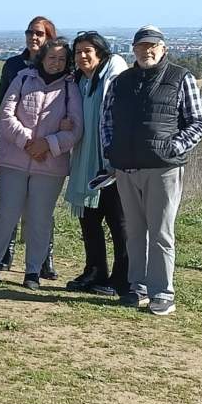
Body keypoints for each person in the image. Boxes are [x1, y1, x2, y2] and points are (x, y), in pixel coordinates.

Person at [102, 25, 202, 316]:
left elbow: (198, 123)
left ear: (163, 48)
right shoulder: (121, 81)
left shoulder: (181, 77)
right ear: (133, 49)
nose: (146, 51)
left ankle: (163, 293)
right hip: (126, 167)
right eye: (141, 46)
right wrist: (111, 152)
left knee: (161, 233)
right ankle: (138, 288)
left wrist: (173, 148)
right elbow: (107, 120)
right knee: (134, 232)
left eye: (153, 46)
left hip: (163, 169)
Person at [0, 38, 82, 290]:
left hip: (50, 164)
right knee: (6, 213)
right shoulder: (23, 78)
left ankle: (33, 271)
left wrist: (48, 143)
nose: (55, 63)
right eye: (51, 58)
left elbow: (76, 129)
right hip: (14, 159)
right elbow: (5, 115)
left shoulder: (71, 88)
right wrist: (27, 142)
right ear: (41, 58)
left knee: (40, 218)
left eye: (61, 59)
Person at [63, 31, 129, 296]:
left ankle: (123, 278)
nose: (82, 56)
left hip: (112, 162)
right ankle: (95, 270)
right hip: (85, 162)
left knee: (118, 222)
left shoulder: (114, 74)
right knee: (89, 220)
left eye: (87, 51)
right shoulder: (81, 81)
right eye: (78, 52)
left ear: (101, 52)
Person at [0, 16, 59, 277]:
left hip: (47, 151)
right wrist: (24, 138)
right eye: (30, 32)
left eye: (40, 33)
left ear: (49, 38)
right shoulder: (13, 65)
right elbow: (3, 101)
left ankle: (44, 259)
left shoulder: (62, 70)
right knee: (10, 205)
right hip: (16, 143)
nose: (34, 37)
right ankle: (5, 255)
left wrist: (47, 142)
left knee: (42, 211)